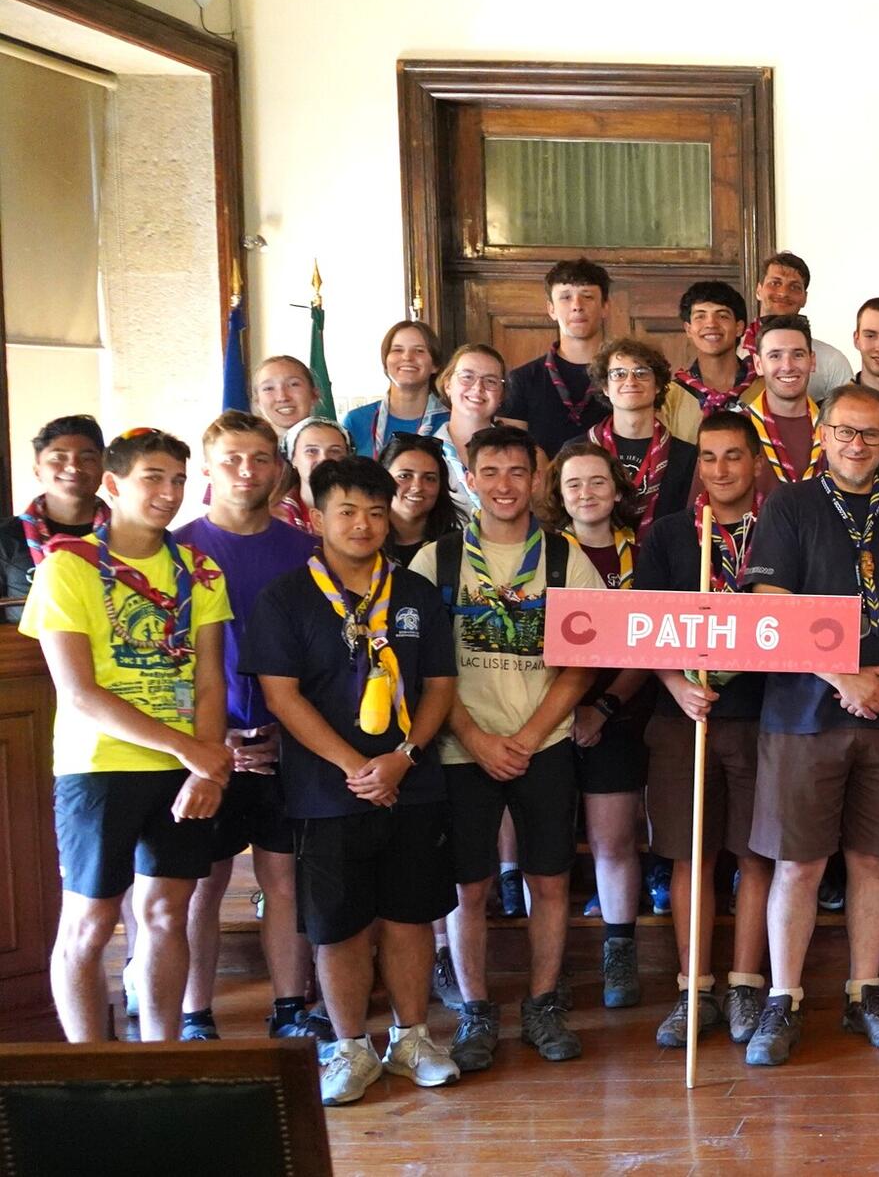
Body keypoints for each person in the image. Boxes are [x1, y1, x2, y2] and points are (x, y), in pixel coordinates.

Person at [246, 456, 462, 1106]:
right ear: (316, 517)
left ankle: (413, 1037)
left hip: (411, 781)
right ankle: (349, 1048)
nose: (364, 524)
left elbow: (442, 686)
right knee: (337, 925)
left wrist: (402, 757)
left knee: (409, 914)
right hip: (325, 789)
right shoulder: (285, 597)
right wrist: (352, 766)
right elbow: (282, 697)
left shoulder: (416, 593)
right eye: (347, 510)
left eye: (375, 510)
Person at [742, 385, 879, 1066]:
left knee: (873, 859)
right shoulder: (789, 505)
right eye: (845, 432)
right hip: (803, 714)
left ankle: (866, 992)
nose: (857, 444)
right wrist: (842, 677)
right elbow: (769, 601)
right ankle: (783, 999)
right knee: (799, 862)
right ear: (824, 435)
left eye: (870, 434)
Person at [24, 429, 232, 1044]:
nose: (168, 492)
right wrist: (191, 751)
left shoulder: (200, 571)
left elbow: (211, 682)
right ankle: (91, 1070)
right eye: (152, 478)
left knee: (168, 914)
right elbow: (80, 693)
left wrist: (204, 769)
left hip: (183, 772)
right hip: (99, 768)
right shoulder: (68, 566)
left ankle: (162, 1058)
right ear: (112, 486)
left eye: (177, 479)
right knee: (89, 923)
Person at [408, 424, 600, 1069]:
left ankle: (544, 1003)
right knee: (469, 887)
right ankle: (475, 1010)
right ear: (469, 479)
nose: (504, 486)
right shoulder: (436, 560)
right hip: (463, 749)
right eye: (489, 473)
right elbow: (421, 669)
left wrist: (523, 737)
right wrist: (475, 736)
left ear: (538, 479)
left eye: (517, 472)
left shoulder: (566, 558)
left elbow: (581, 666)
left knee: (549, 880)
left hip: (542, 744)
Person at [170, 412, 325, 1043]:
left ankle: (290, 1009)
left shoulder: (307, 550)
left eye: (261, 458)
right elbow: (168, 657)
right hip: (205, 749)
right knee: (200, 886)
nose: (246, 471)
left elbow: (324, 655)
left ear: (279, 469)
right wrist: (206, 741)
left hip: (290, 747)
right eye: (232, 459)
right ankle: (194, 1014)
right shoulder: (175, 550)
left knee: (283, 878)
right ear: (208, 470)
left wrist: (293, 734)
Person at [640, 411, 776, 1051]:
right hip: (681, 714)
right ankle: (694, 986)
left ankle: (746, 984)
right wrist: (674, 684)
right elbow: (644, 623)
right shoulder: (670, 534)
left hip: (759, 713)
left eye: (734, 457)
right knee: (692, 853)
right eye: (711, 457)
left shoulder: (779, 529)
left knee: (754, 852)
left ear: (755, 463)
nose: (721, 469)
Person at [538, 441, 656, 1008]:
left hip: (619, 715)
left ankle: (619, 953)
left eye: (596, 482)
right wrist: (567, 711)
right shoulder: (542, 555)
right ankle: (550, 968)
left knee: (613, 841)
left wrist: (603, 707)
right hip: (547, 718)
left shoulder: (645, 552)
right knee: (551, 850)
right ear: (559, 497)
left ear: (617, 489)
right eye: (573, 485)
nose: (586, 493)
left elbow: (655, 639)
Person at [502, 259, 613, 455]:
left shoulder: (625, 377)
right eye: (566, 297)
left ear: (605, 307)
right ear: (551, 309)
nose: (577, 306)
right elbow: (513, 455)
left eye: (587, 296)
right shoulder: (523, 379)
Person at [585, 337, 696, 531]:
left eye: (641, 373)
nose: (630, 381)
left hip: (662, 558)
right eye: (619, 374)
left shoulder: (686, 456)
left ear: (658, 385)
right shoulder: (580, 451)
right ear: (605, 387)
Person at [4, 415, 108, 618]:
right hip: (22, 648)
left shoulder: (129, 535)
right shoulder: (5, 538)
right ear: (37, 470)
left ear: (104, 469)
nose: (73, 466)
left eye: (87, 458)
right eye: (58, 458)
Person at [743, 252, 857, 398]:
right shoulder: (736, 353)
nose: (783, 293)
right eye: (775, 283)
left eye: (794, 287)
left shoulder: (831, 361)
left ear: (804, 298)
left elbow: (847, 414)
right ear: (759, 291)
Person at [435, 342, 526, 514]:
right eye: (467, 377)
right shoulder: (424, 452)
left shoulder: (522, 453)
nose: (478, 387)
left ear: (501, 395)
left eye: (491, 381)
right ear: (448, 385)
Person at [660, 280, 755, 440]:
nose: (711, 323)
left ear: (739, 327)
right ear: (688, 329)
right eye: (700, 316)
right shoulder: (670, 397)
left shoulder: (764, 390)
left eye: (722, 316)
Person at [342, 321, 450, 457]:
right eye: (397, 350)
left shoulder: (450, 423)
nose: (407, 357)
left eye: (419, 350)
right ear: (385, 363)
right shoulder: (355, 421)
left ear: (435, 364)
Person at [743, 315, 826, 486]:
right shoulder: (735, 428)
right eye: (775, 356)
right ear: (758, 364)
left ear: (812, 361)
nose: (787, 366)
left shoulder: (835, 428)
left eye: (798, 354)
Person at [381, 435, 456, 568]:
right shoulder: (364, 542)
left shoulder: (457, 547)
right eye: (404, 476)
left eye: (429, 478)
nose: (417, 487)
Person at [278, 418, 351, 532]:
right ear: (293, 458)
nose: (324, 459)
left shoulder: (364, 511)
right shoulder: (274, 518)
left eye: (335, 451)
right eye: (312, 451)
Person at [253, 355, 319, 439]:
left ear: (314, 394)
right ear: (257, 401)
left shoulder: (338, 445)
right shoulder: (244, 450)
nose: (282, 397)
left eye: (293, 384)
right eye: (269, 388)